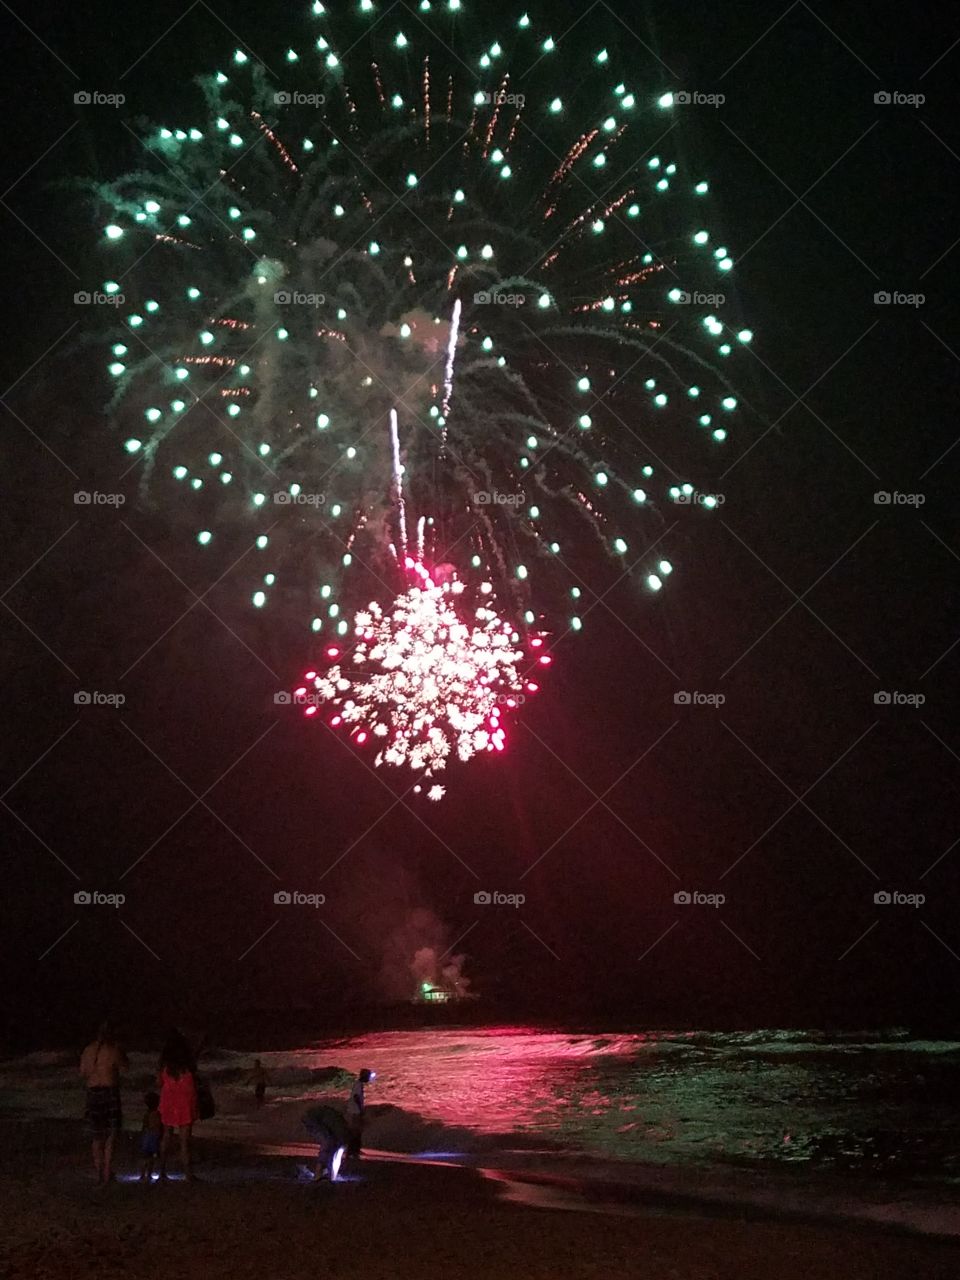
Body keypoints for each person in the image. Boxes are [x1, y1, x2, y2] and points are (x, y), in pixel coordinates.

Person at [79, 1021, 128, 1185]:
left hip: (93, 1092)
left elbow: (82, 1073)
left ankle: (99, 1171)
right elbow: (124, 1068)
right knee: (111, 1135)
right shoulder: (113, 1050)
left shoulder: (88, 1050)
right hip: (109, 1092)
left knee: (96, 1136)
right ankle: (107, 1172)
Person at [157, 1030, 199, 1181]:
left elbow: (158, 1082)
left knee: (166, 1136)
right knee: (184, 1140)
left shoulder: (165, 1065)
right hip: (186, 1100)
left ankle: (161, 1171)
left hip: (169, 1099)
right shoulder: (188, 1064)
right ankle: (188, 1174)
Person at [301, 1104, 349, 1182]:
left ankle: (321, 1172)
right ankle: (318, 1174)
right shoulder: (343, 1137)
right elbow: (337, 1156)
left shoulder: (342, 1133)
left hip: (316, 1118)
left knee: (329, 1143)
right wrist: (333, 1177)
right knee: (327, 1142)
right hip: (313, 1119)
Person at [345, 1068, 374, 1160]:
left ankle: (353, 1151)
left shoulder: (358, 1084)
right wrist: (360, 1109)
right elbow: (356, 1097)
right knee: (356, 1132)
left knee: (355, 1132)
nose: (369, 1078)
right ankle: (353, 1152)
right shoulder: (358, 1084)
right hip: (355, 1112)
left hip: (355, 1111)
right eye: (368, 1076)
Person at [139, 1091, 163, 1181]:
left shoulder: (147, 1114)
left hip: (146, 1137)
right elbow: (158, 1126)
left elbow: (144, 1126)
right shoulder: (157, 1114)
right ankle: (148, 1174)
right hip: (154, 1137)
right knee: (151, 1157)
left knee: (145, 1157)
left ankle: (142, 1174)